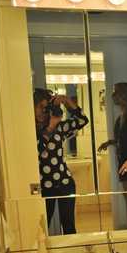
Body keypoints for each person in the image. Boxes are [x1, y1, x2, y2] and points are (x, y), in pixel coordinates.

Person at [34, 88, 89, 234]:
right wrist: (51, 126)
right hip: (44, 186)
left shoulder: (60, 127)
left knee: (69, 226)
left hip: (65, 183)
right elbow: (39, 150)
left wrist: (66, 101)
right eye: (40, 106)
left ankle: (72, 249)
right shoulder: (30, 130)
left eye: (46, 107)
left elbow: (83, 120)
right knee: (42, 227)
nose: (43, 111)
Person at [97, 82, 127, 229]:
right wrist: (110, 143)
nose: (112, 96)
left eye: (115, 92)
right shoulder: (122, 117)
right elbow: (123, 139)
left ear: (124, 95)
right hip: (125, 166)